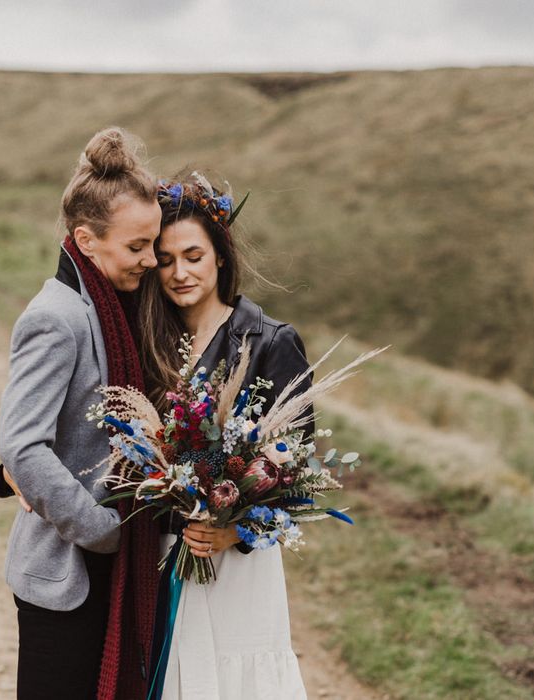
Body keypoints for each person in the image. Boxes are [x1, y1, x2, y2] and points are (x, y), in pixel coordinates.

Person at [0, 126, 163, 700]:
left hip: (106, 569)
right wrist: (105, 534)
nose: (151, 260)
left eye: (153, 244)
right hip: (70, 572)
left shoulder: (111, 309)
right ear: (86, 241)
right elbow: (21, 447)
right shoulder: (57, 317)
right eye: (136, 246)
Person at [138, 172, 310, 699]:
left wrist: (233, 531)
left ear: (220, 256)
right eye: (164, 260)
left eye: (192, 255)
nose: (179, 272)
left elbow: (297, 476)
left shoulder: (271, 341)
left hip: (238, 568)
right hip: (166, 554)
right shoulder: (150, 341)